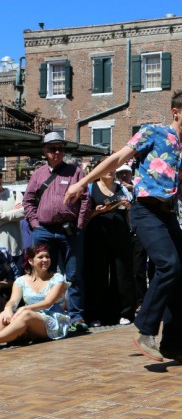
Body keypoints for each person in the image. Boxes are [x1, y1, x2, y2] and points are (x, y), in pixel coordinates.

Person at [65, 89, 182, 365]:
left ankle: (174, 345)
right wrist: (82, 183)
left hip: (169, 216)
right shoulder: (153, 133)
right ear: (176, 113)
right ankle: (145, 328)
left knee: (181, 278)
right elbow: (117, 159)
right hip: (145, 211)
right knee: (167, 266)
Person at [23, 132, 90, 333]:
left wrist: (79, 224)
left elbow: (85, 199)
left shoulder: (75, 172)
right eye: (52, 148)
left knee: (73, 276)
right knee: (42, 275)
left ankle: (76, 317)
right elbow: (27, 201)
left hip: (69, 231)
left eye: (60, 148)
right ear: (45, 151)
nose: (57, 152)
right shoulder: (38, 174)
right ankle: (46, 314)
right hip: (43, 230)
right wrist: (35, 224)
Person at [83, 160, 135, 327]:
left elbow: (131, 216)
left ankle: (123, 312)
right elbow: (83, 217)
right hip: (97, 237)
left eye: (113, 169)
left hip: (120, 237)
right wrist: (96, 212)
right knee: (97, 275)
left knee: (122, 274)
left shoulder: (122, 189)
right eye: (107, 169)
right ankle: (96, 314)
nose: (111, 172)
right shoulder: (90, 188)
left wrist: (128, 208)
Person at [0, 245, 70, 344]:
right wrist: (8, 309)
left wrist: (25, 308)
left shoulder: (57, 279)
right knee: (3, 315)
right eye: (40, 257)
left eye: (47, 256)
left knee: (26, 314)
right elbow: (13, 301)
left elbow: (47, 303)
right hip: (28, 318)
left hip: (53, 322)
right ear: (31, 261)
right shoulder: (21, 281)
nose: (45, 259)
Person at [0, 172, 25, 269]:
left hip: (16, 250)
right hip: (0, 253)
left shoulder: (15, 194)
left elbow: (23, 213)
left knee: (17, 283)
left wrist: (2, 216)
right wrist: (13, 213)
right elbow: (17, 214)